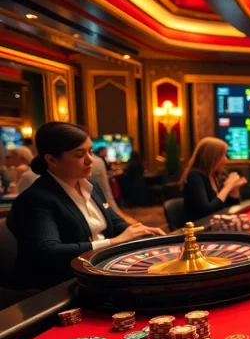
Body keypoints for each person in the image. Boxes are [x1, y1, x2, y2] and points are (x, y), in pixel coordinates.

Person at [7, 122, 164, 290]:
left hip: (98, 271)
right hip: (58, 286)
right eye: (79, 154)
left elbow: (115, 223)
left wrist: (141, 233)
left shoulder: (91, 186)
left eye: (91, 152)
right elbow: (48, 251)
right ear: (52, 159)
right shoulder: (36, 198)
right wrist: (113, 242)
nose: (90, 160)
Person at [181, 137, 247, 222]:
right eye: (222, 155)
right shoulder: (194, 176)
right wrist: (227, 187)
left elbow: (231, 210)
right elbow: (206, 212)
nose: (226, 159)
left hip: (216, 225)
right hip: (200, 227)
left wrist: (234, 190)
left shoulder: (218, 175)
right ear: (211, 157)